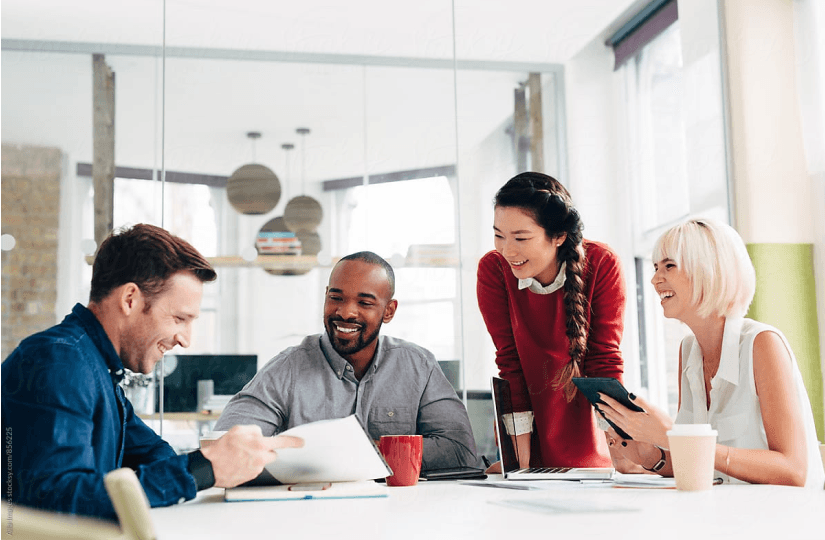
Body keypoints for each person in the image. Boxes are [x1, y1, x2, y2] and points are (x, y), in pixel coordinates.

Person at [1, 224, 303, 519]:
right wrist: (205, 467)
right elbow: (57, 498)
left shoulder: (99, 368)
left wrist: (232, 460)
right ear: (130, 299)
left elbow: (154, 453)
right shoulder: (60, 362)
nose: (186, 340)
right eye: (179, 319)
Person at [600, 218, 825, 488]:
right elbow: (700, 463)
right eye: (656, 267)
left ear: (708, 271)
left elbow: (792, 470)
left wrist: (673, 434)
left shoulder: (763, 343)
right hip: (724, 517)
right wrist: (650, 454)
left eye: (669, 266)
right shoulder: (688, 350)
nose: (655, 279)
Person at [216, 251, 481, 470]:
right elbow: (224, 447)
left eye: (364, 303)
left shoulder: (418, 366)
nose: (345, 312)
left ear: (389, 311)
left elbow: (460, 450)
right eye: (336, 298)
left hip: (398, 518)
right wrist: (392, 453)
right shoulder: (286, 370)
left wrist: (343, 452)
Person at [477, 172, 626, 469]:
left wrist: (623, 457)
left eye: (521, 238)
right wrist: (520, 466)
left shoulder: (601, 263)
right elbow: (510, 365)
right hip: (525, 434)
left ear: (558, 236)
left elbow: (604, 361)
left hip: (591, 442)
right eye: (499, 236)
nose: (507, 250)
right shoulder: (493, 270)